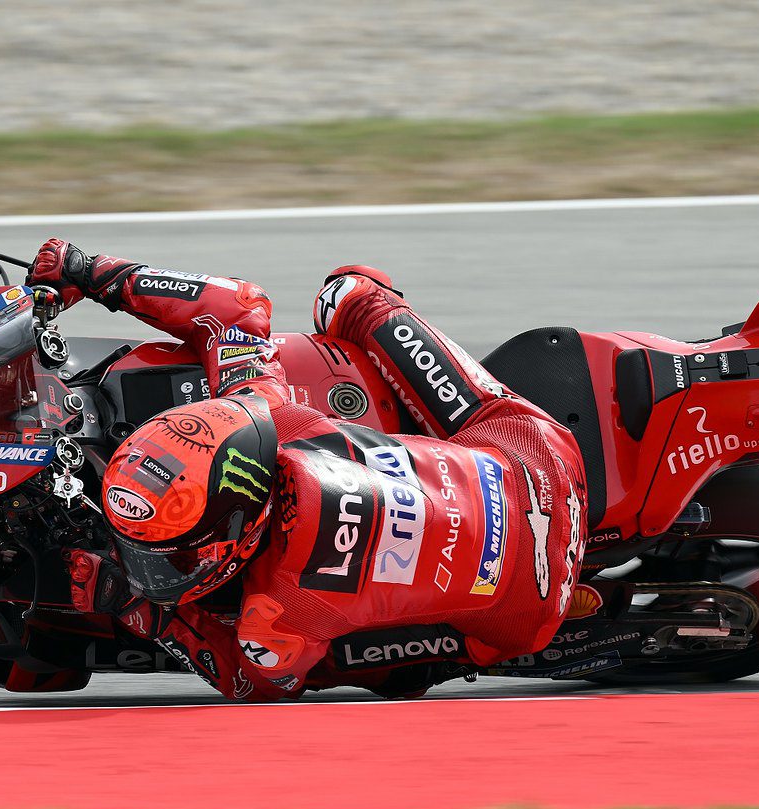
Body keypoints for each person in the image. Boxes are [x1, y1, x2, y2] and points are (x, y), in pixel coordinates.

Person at [29, 239, 587, 701]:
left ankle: (439, 664)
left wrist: (136, 608)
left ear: (236, 531)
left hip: (525, 619)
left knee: (355, 671)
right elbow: (240, 307)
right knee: (348, 292)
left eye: (170, 553)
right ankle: (370, 305)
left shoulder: (277, 609)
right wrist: (94, 270)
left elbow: (255, 684)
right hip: (538, 462)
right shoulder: (271, 414)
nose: (155, 567)